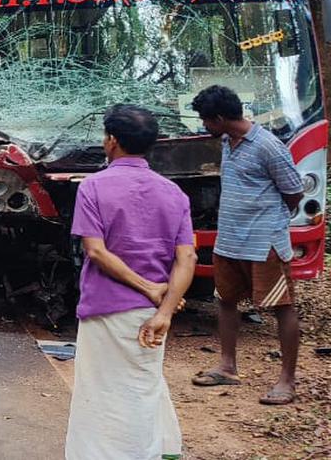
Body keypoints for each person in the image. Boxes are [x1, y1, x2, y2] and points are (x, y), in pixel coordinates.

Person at [64, 105, 196, 458]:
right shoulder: (174, 193)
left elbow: (96, 252)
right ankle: (158, 449)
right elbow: (187, 258)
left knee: (103, 393)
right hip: (152, 314)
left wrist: (147, 287)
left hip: (106, 308)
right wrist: (165, 309)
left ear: (111, 141)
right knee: (143, 385)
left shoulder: (93, 187)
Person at [189, 85, 304, 405]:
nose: (204, 126)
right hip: (230, 239)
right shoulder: (227, 141)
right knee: (225, 300)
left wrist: (271, 216)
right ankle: (227, 366)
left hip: (263, 240)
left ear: (221, 118)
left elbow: (293, 191)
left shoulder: (268, 146)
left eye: (206, 120)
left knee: (281, 307)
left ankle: (287, 381)